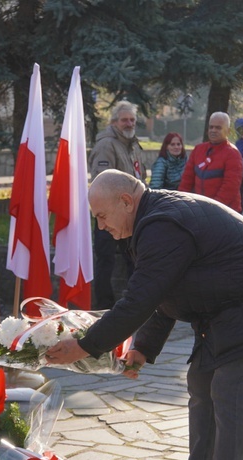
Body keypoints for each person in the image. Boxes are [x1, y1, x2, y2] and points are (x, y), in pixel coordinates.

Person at [46, 169, 243, 460]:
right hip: (232, 307)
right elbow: (164, 289)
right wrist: (144, 347)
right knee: (201, 382)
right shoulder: (154, 218)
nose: (101, 227)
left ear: (126, 201)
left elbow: (140, 299)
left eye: (102, 216)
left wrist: (86, 346)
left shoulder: (161, 225)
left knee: (229, 391)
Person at [88, 100, 145, 309]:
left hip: (132, 216)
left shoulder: (133, 145)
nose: (129, 124)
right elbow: (101, 182)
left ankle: (133, 307)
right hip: (109, 216)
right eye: (124, 120)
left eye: (132, 120)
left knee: (135, 261)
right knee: (106, 262)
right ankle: (104, 309)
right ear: (114, 122)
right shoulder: (106, 145)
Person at [178, 112, 243, 212]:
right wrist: (181, 202)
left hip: (226, 212)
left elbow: (230, 187)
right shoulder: (198, 149)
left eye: (218, 128)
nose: (213, 130)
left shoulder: (233, 154)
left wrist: (212, 208)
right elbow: (187, 180)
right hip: (199, 209)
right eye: (211, 127)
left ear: (228, 131)